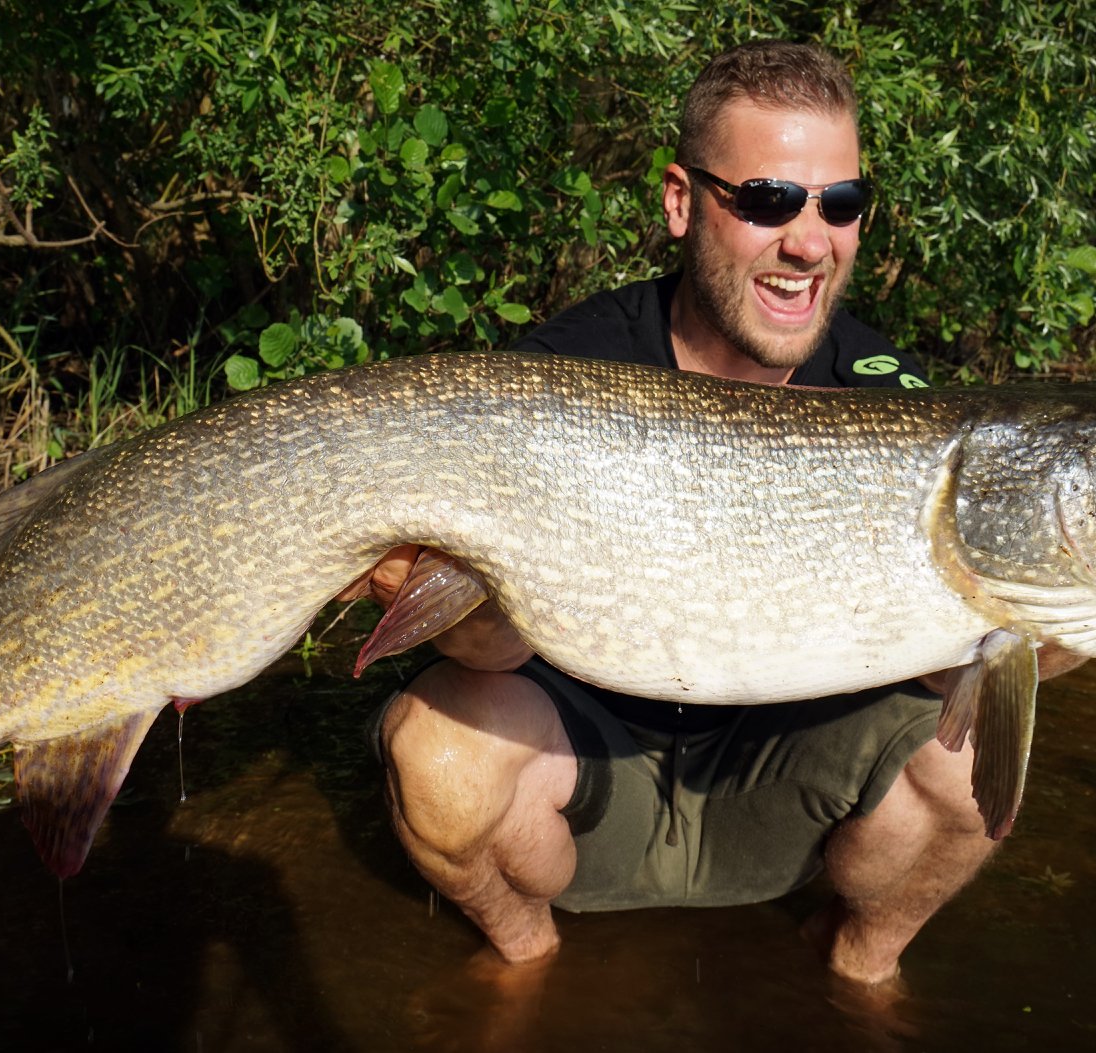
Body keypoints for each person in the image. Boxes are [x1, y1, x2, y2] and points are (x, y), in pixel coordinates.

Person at [352, 40, 979, 990]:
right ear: (681, 201)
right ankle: (524, 964)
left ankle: (862, 975)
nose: (810, 241)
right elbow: (486, 654)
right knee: (436, 746)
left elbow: (944, 657)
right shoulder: (569, 372)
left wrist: (1042, 621)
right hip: (594, 769)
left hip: (774, 780)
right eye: (768, 199)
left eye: (840, 204)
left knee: (972, 763)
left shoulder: (886, 395)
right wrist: (434, 587)